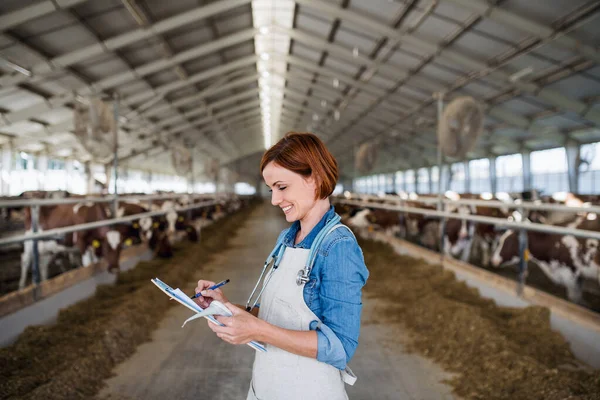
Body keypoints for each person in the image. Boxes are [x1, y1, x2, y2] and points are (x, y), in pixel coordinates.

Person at [194, 132, 369, 400]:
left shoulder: (338, 246)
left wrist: (258, 330)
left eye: (282, 187)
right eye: (271, 189)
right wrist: (227, 307)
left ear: (314, 178)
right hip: (267, 386)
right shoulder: (288, 238)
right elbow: (285, 314)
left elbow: (340, 348)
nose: (275, 200)